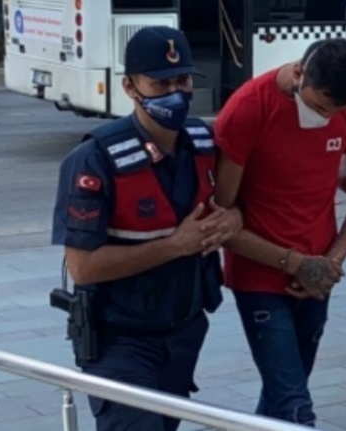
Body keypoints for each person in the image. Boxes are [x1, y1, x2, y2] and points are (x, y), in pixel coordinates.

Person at [50, 26, 241, 431]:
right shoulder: (94, 159)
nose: (175, 93)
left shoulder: (205, 143)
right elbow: (82, 267)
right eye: (160, 83)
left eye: (182, 80)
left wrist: (232, 219)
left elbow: (234, 207)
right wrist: (175, 245)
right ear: (130, 87)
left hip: (184, 332)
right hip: (119, 340)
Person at [212, 38, 346, 426]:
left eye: (336, 112)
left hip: (317, 276)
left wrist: (331, 262)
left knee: (282, 399)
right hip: (260, 274)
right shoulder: (248, 109)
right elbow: (222, 217)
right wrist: (294, 263)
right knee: (295, 405)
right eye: (319, 108)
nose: (326, 118)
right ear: (298, 73)